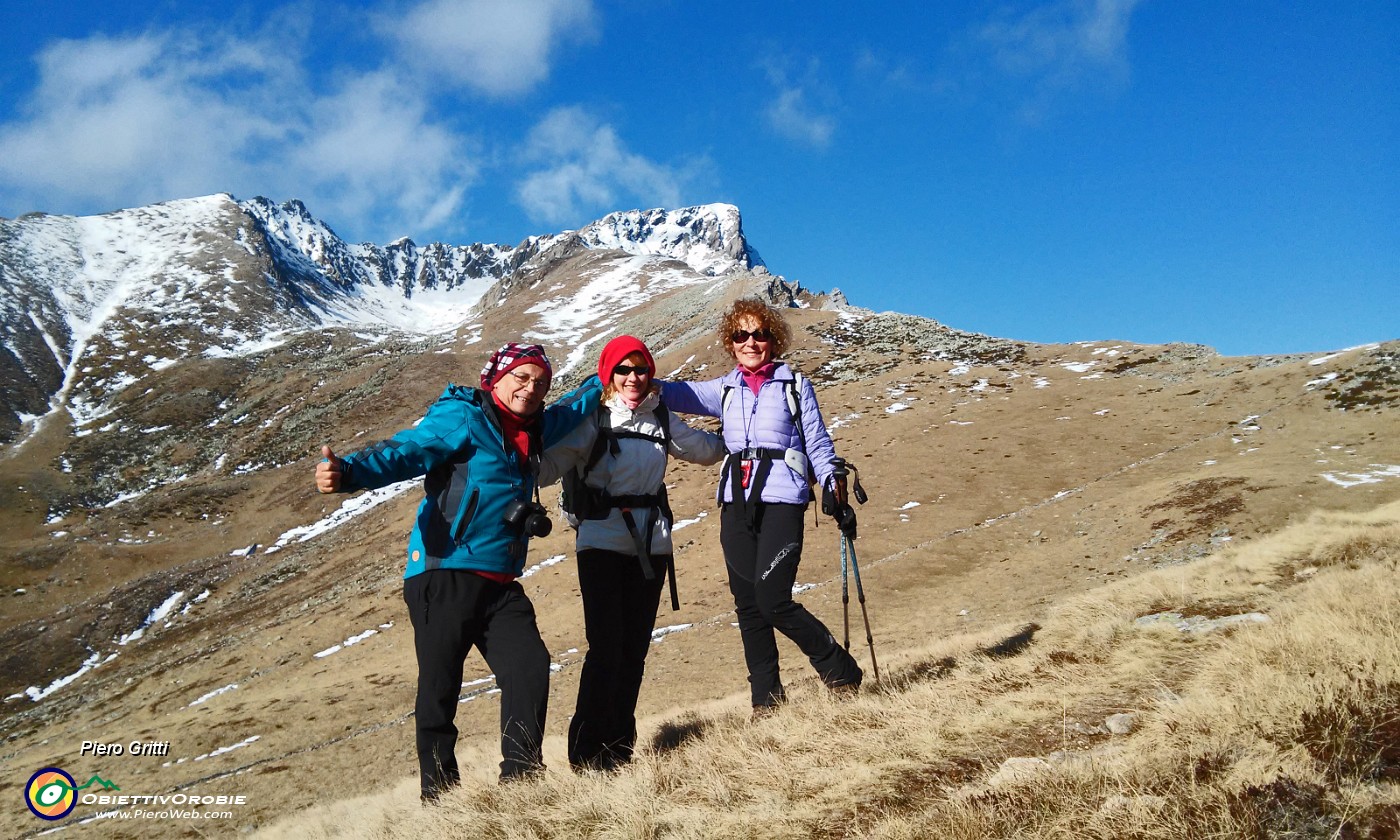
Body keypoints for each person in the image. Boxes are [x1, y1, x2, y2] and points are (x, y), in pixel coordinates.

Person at [314, 343, 601, 800]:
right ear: (495, 378)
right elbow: (407, 451)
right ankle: (440, 797)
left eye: (540, 382)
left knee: (529, 666)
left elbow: (572, 409)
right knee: (440, 687)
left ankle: (522, 781)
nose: (530, 389)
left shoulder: (537, 426)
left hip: (501, 581)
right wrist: (348, 473)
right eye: (521, 378)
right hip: (444, 571)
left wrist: (605, 377)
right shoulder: (463, 418)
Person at [660, 298, 863, 716]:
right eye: (741, 335)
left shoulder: (794, 385)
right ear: (730, 343)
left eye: (759, 334)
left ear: (773, 340)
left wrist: (831, 485)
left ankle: (839, 670)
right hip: (735, 502)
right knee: (748, 605)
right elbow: (677, 393)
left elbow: (818, 441)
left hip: (783, 499)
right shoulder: (725, 388)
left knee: (773, 599)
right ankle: (766, 702)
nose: (750, 342)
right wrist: (630, 376)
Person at [539, 335, 724, 771]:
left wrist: (746, 435)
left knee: (634, 649)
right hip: (601, 543)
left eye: (640, 368)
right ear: (608, 374)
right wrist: (510, 454)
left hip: (652, 545)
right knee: (605, 648)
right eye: (623, 369)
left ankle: (618, 751)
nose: (633, 377)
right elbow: (550, 465)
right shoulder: (593, 418)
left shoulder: (660, 415)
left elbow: (701, 449)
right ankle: (586, 756)